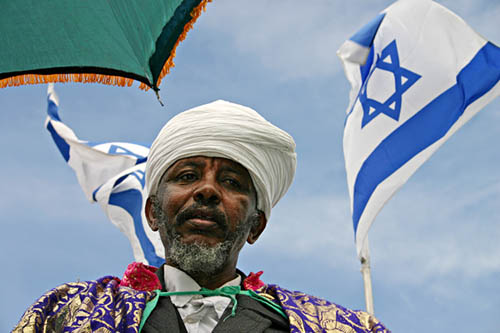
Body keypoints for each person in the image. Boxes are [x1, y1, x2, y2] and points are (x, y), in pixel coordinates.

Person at [14, 100, 388, 332]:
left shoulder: (336, 327)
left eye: (231, 181)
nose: (207, 191)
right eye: (188, 176)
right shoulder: (68, 314)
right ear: (152, 213)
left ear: (256, 225)